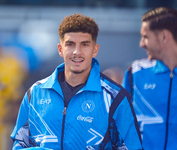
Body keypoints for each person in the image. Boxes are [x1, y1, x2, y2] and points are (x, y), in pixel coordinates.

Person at [10, 14, 143, 150]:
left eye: (84, 45)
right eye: (70, 44)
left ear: (95, 50)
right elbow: (20, 144)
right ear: (60, 49)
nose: (77, 52)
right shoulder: (36, 93)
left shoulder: (116, 97)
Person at [122, 7, 177, 150]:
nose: (141, 44)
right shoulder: (135, 73)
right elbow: (119, 124)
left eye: (145, 37)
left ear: (164, 36)